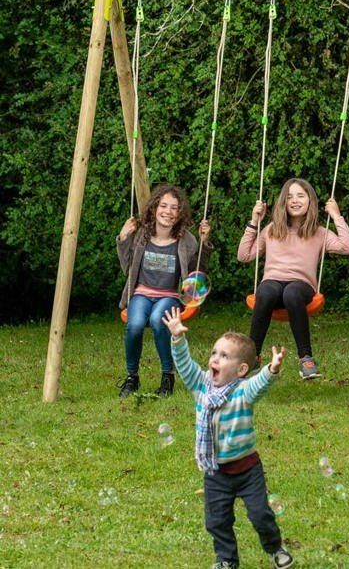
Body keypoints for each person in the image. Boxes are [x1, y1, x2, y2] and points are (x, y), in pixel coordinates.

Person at [162, 307, 294, 569]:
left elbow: (258, 383)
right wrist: (177, 337)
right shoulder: (201, 386)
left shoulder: (243, 392)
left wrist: (271, 369)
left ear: (241, 369)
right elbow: (185, 365)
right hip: (216, 472)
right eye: (214, 353)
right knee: (217, 521)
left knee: (260, 515)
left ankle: (275, 548)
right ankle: (226, 560)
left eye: (224, 356)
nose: (215, 359)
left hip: (247, 470)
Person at [237, 178, 349, 380]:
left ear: (310, 201)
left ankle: (306, 358)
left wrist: (336, 215)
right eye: (290, 196)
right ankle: (253, 356)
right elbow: (244, 255)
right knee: (265, 291)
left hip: (301, 287)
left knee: (292, 292)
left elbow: (348, 247)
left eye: (300, 196)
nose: (295, 200)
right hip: (273, 284)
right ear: (283, 202)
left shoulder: (319, 232)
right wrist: (254, 222)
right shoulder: (272, 229)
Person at [116, 183, 211, 398]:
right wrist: (123, 238)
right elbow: (127, 266)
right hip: (142, 293)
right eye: (164, 206)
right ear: (154, 208)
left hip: (169, 296)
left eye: (174, 208)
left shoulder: (186, 240)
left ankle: (167, 375)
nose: (168, 212)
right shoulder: (142, 236)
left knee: (159, 320)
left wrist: (204, 243)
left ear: (180, 213)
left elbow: (197, 271)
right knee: (134, 325)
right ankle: (132, 377)